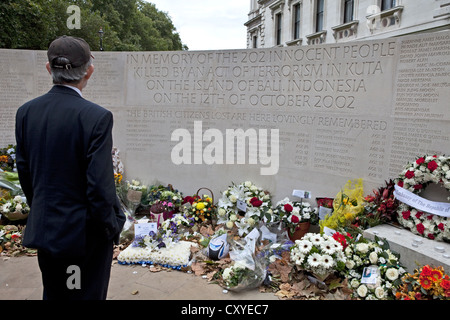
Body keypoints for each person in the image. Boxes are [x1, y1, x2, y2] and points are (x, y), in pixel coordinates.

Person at [15, 35, 125, 300]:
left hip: (47, 229)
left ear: (48, 68)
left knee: (55, 294)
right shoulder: (96, 117)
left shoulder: (26, 112)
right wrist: (111, 227)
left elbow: (26, 174)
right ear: (89, 70)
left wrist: (44, 211)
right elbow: (99, 186)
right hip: (84, 236)